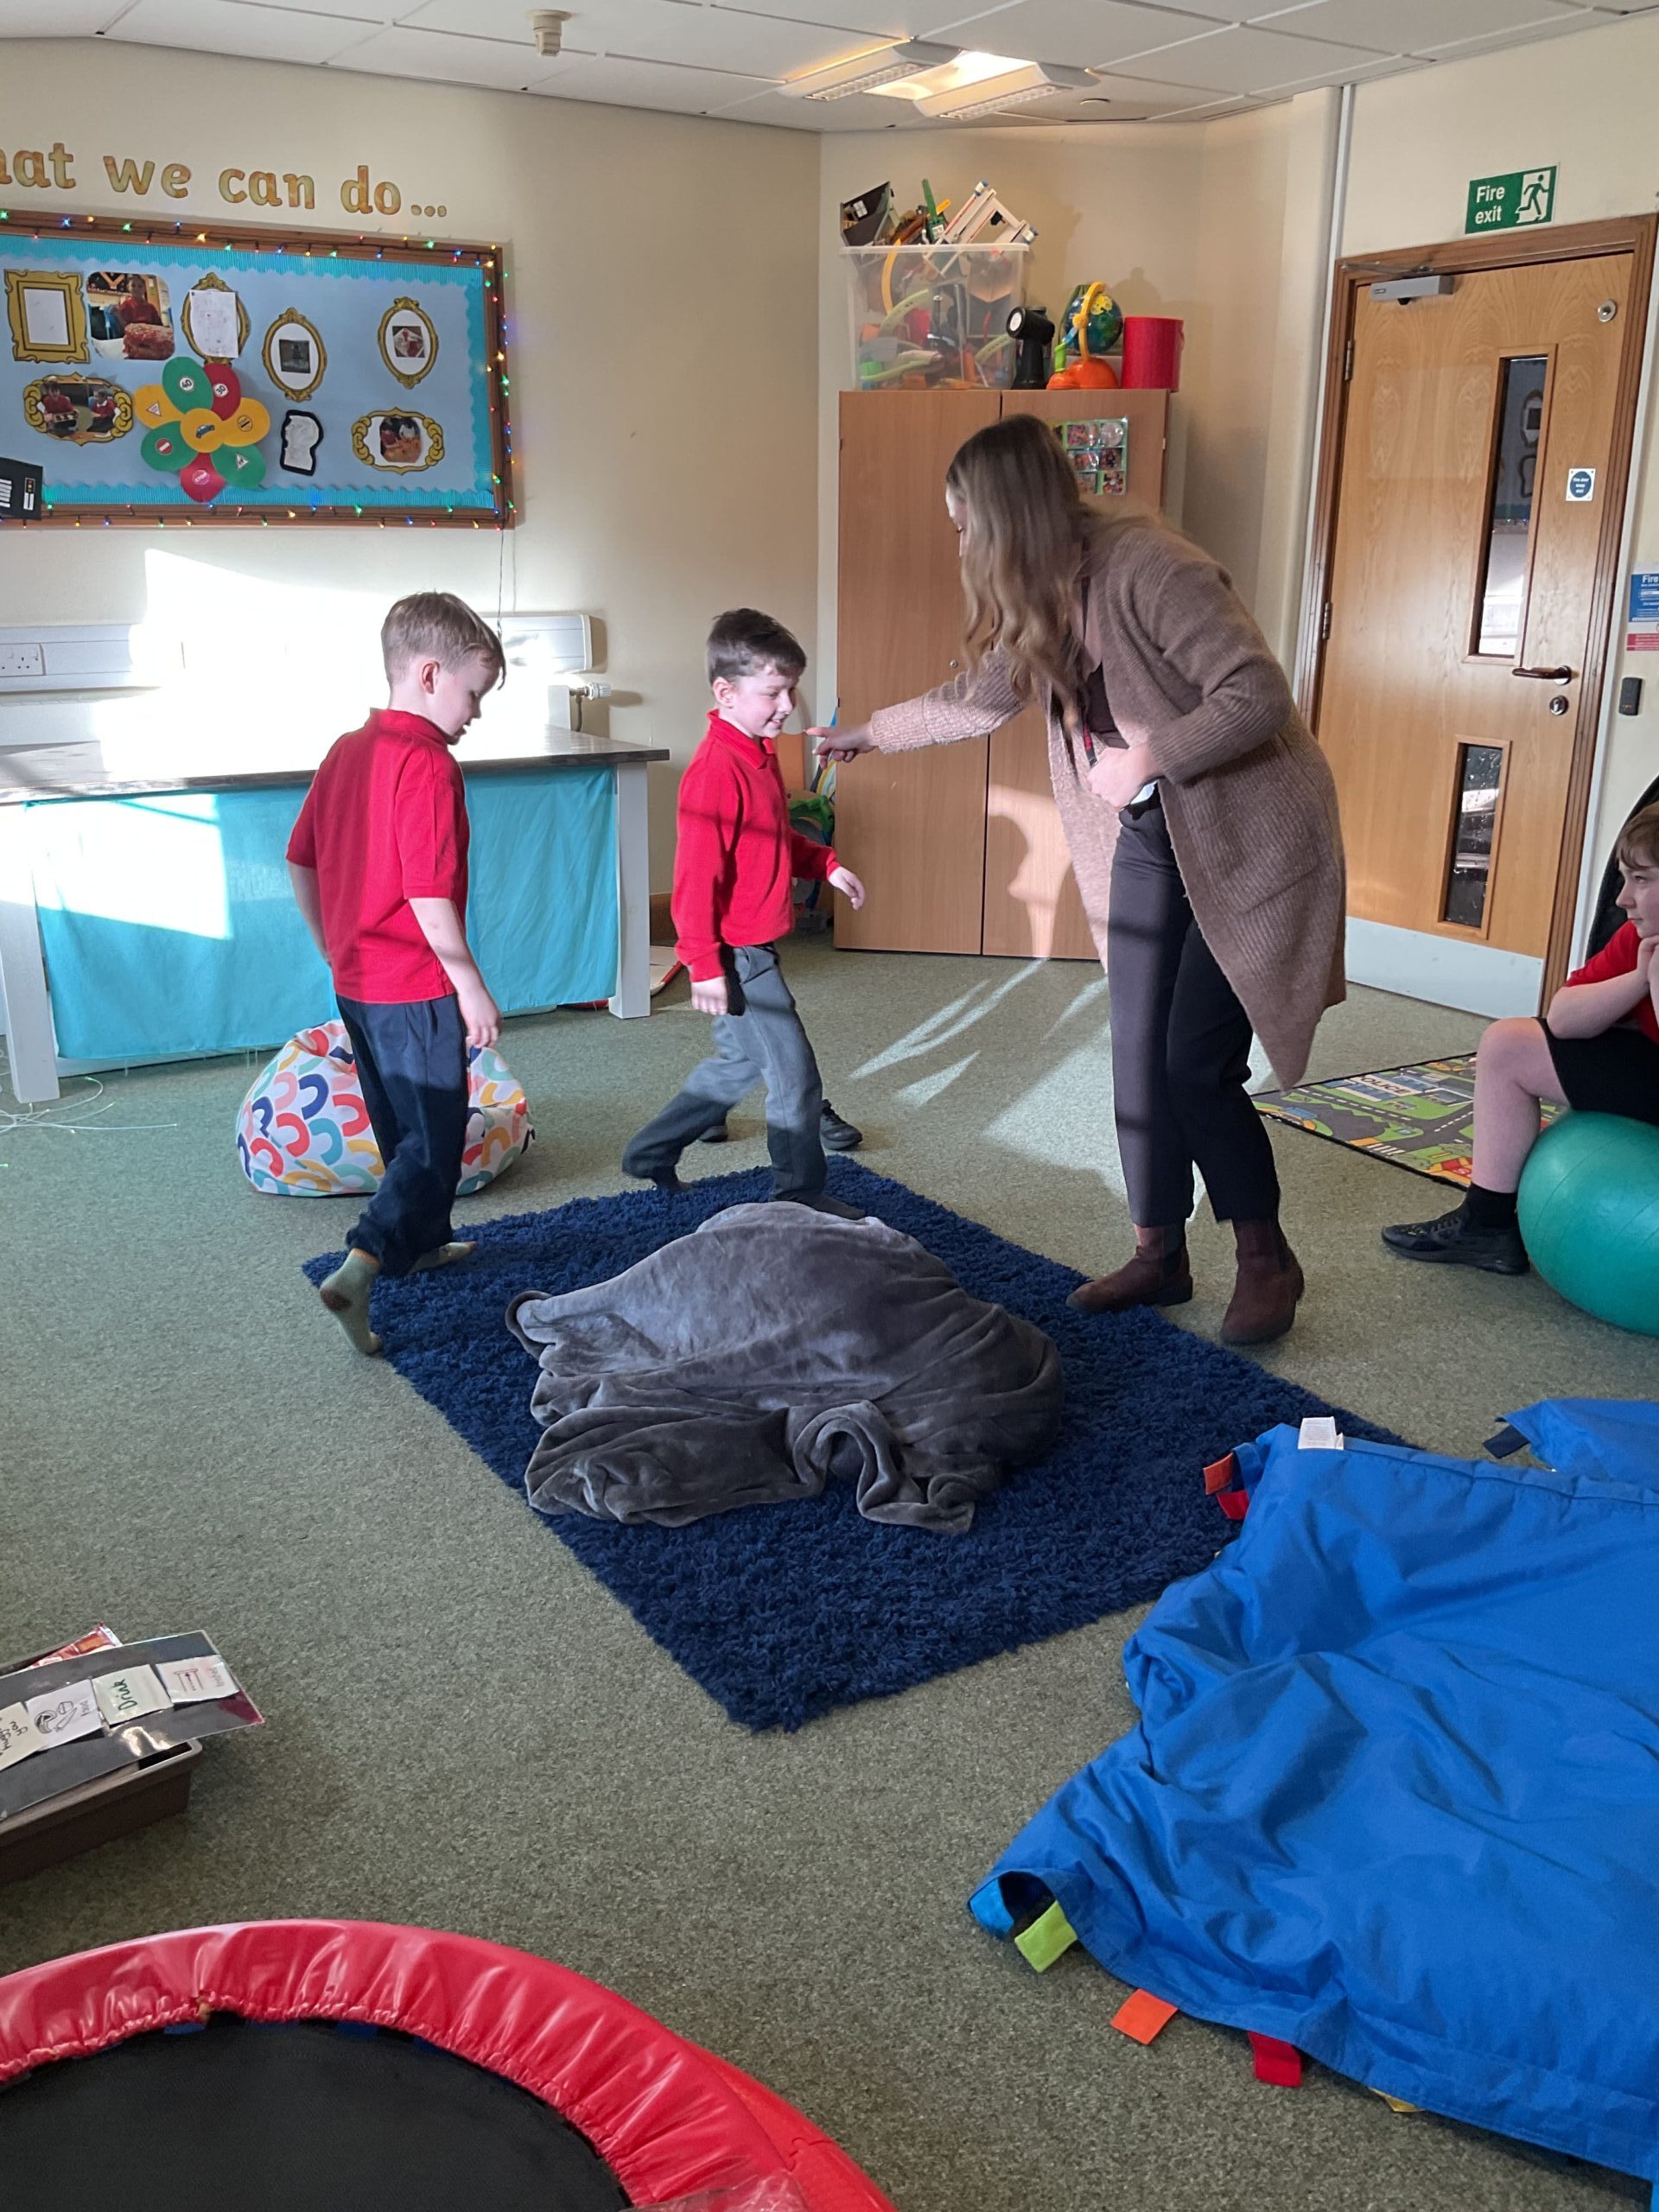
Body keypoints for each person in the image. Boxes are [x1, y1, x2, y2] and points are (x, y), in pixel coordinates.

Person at [812, 414, 1345, 1344]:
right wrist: (868, 732)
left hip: (1249, 833)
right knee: (1137, 1049)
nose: (961, 547)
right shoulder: (1043, 596)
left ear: (1006, 520)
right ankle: (1159, 1253)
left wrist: (1147, 757)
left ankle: (1266, 1257)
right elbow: (978, 700)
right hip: (1151, 830)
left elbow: (1256, 694)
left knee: (1194, 1062)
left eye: (966, 527)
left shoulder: (1152, 569)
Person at [287, 591, 505, 1355]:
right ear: (431, 674)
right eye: (474, 693)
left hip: (356, 983)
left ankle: (420, 1243)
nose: (476, 713)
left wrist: (329, 945)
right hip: (414, 987)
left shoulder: (347, 749)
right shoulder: (429, 764)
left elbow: (300, 859)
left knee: (398, 1124)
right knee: (434, 1138)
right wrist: (471, 985)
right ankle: (366, 1259)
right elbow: (427, 893)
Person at [623, 608, 865, 1211]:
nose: (787, 706)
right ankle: (799, 1197)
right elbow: (692, 883)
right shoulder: (715, 772)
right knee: (794, 1075)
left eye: (792, 689)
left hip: (753, 945)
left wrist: (825, 864)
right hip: (736, 954)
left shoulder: (759, 751)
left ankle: (651, 1151)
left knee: (739, 1063)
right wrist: (703, 964)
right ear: (725, 692)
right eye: (773, 692)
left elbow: (773, 837)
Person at [1382, 801, 1659, 1273]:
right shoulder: (1640, 938)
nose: (1623, 899)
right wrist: (1637, 979)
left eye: (1642, 880)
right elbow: (1563, 1018)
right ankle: (1486, 1225)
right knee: (1508, 1045)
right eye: (1624, 878)